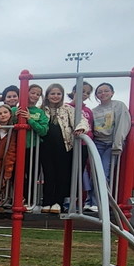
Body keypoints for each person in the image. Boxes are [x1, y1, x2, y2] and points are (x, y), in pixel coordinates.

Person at [39, 83, 89, 213]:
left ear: (62, 95)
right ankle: (47, 201)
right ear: (47, 95)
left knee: (62, 174)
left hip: (64, 146)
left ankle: (57, 202)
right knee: (48, 174)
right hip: (45, 147)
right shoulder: (42, 110)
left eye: (58, 94)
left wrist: (80, 128)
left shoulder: (68, 109)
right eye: (52, 94)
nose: (55, 96)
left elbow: (82, 120)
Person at [86, 83, 131, 211]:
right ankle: (91, 200)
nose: (103, 94)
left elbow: (123, 124)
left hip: (112, 142)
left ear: (112, 93)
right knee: (94, 172)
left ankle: (101, 201)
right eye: (100, 92)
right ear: (96, 95)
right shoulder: (94, 111)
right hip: (98, 142)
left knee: (104, 171)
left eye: (106, 91)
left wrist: (118, 144)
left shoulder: (118, 106)